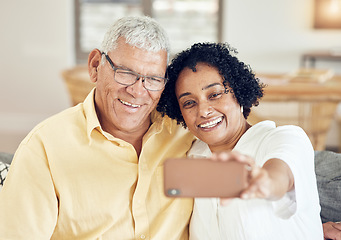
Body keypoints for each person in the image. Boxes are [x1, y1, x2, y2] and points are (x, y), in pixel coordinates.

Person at [0, 16, 195, 239]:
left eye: (152, 78)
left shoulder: (186, 135)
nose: (137, 91)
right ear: (95, 66)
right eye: (126, 73)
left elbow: (238, 187)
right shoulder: (44, 149)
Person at [157, 42, 324, 239]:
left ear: (238, 92)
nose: (203, 111)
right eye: (189, 103)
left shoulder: (284, 138)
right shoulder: (191, 154)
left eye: (215, 94)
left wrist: (266, 182)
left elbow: (281, 176)